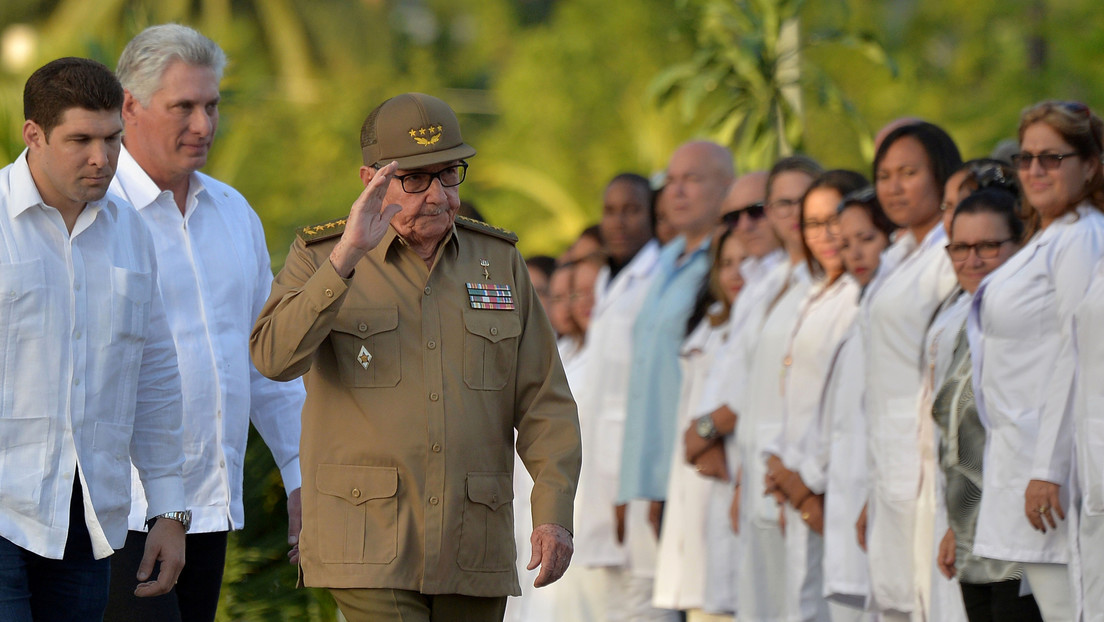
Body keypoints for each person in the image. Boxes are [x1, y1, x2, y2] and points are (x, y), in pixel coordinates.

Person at [249, 92, 581, 622]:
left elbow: (546, 403)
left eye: (449, 175)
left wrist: (554, 515)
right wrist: (346, 258)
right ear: (371, 180)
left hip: (472, 543)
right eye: (415, 179)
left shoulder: (498, 261)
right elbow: (272, 358)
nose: (437, 195)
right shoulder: (321, 256)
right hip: (368, 545)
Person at [104, 24, 306, 621]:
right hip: (113, 515)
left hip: (208, 510)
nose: (203, 125)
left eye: (212, 105)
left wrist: (299, 477)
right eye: (184, 107)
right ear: (129, 106)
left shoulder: (233, 213)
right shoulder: (93, 212)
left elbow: (270, 362)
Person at [0, 57, 188, 621]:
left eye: (112, 138)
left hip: (88, 522)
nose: (101, 158)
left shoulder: (131, 231)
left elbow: (154, 375)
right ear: (33, 135)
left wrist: (169, 512)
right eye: (80, 139)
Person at [968, 100, 1104, 621]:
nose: (1036, 171)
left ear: (1089, 164)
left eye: (1052, 157)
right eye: (1025, 159)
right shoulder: (1047, 237)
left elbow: (1078, 354)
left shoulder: (1081, 238)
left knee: (1072, 608)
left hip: (1054, 467)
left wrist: (1049, 468)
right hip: (1020, 454)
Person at [859, 121, 961, 621]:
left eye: (909, 172)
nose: (894, 187)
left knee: (934, 600)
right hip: (886, 460)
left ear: (941, 174)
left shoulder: (951, 257)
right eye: (884, 175)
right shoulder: (896, 255)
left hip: (935, 460)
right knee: (895, 599)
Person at [932, 185, 1043, 622]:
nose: (971, 260)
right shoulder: (969, 318)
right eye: (960, 247)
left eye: (988, 246)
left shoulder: (1032, 320)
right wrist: (955, 527)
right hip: (971, 530)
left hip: (1020, 533)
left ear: (1022, 243)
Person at [572, 173, 678, 622]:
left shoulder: (661, 276)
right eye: (610, 211)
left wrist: (627, 488)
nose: (619, 222)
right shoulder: (605, 281)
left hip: (636, 478)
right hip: (600, 476)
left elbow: (647, 394)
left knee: (645, 600)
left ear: (653, 215)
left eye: (632, 210)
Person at [764, 170, 868, 622]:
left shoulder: (860, 295)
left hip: (830, 487)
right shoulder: (816, 293)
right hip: (797, 486)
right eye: (812, 223)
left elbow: (846, 405)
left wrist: (807, 482)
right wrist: (784, 473)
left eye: (834, 220)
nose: (824, 235)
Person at [618, 141, 734, 542]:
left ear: (726, 188)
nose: (678, 191)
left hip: (702, 457)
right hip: (657, 469)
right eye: (671, 181)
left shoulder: (727, 266)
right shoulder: (665, 261)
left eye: (693, 179)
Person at [733, 155, 822, 622]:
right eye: (781, 202)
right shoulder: (767, 282)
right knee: (760, 604)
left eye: (802, 201)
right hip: (755, 471)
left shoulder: (825, 281)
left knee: (801, 605)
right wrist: (741, 480)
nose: (792, 213)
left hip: (796, 474)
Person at [799, 187, 894, 618]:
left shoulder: (888, 311)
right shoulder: (861, 308)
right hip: (840, 499)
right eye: (848, 240)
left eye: (868, 238)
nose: (854, 251)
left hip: (879, 500)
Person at [654, 227, 747, 622]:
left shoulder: (758, 325)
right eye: (726, 263)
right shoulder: (710, 324)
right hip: (698, 499)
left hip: (735, 487)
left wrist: (704, 433)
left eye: (745, 262)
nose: (735, 273)